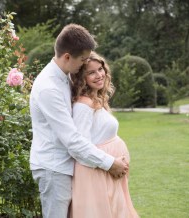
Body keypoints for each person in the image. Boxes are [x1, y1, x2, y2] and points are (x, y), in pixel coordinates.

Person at [29, 24, 128, 218]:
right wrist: (110, 163)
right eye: (82, 60)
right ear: (67, 57)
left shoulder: (64, 78)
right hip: (54, 169)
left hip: (65, 166)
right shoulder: (49, 88)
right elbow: (73, 140)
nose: (84, 65)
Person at [70, 51, 139, 217]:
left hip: (105, 173)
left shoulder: (96, 100)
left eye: (100, 69)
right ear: (81, 78)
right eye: (91, 72)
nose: (99, 75)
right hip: (95, 174)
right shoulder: (83, 106)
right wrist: (111, 163)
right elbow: (81, 147)